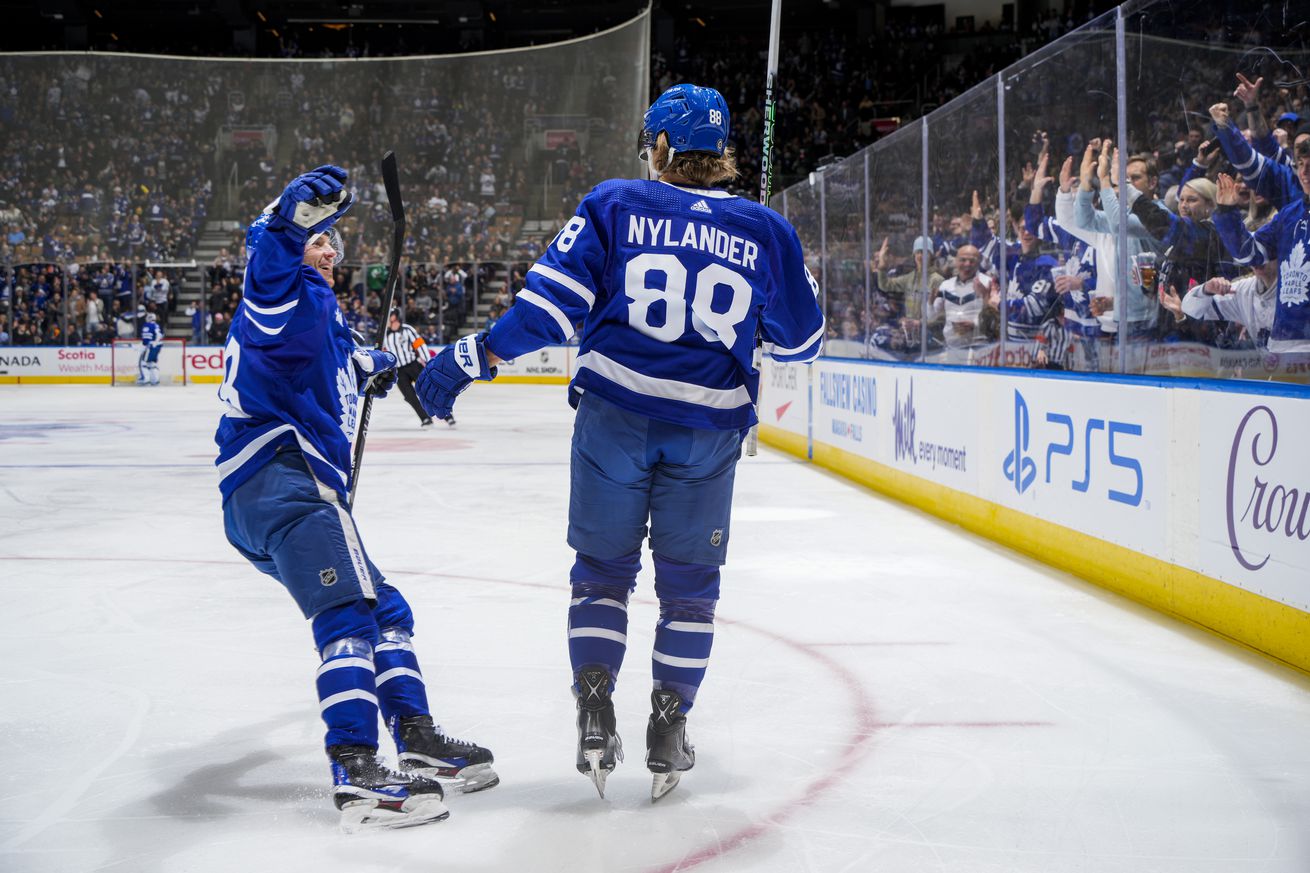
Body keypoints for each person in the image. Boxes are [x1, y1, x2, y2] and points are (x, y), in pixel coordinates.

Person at [415, 83, 824, 802]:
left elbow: (546, 312)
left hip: (614, 419)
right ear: (721, 153)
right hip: (706, 432)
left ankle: (596, 714)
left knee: (601, 575)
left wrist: (470, 358)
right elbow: (803, 340)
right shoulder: (766, 230)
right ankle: (668, 726)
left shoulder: (613, 203)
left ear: (661, 147)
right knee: (690, 592)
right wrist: (790, 277)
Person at [213, 166, 497, 833]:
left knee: (386, 608)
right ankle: (356, 768)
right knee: (348, 617)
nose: (330, 250)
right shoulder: (279, 289)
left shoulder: (320, 313)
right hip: (285, 480)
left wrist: (384, 365)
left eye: (332, 241)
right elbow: (271, 254)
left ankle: (416, 734)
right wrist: (290, 218)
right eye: (320, 239)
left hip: (279, 490)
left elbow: (344, 364)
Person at [383, 308, 453, 428]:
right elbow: (384, 352)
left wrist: (428, 361)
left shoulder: (407, 329)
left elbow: (420, 345)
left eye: (389, 315)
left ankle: (447, 415)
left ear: (395, 316)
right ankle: (425, 418)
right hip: (398, 370)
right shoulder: (385, 333)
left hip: (413, 365)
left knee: (429, 390)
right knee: (409, 396)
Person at [137, 311, 164, 386]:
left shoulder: (146, 325)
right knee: (152, 363)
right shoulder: (157, 325)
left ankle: (146, 379)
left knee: (143, 363)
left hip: (150, 346)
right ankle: (155, 380)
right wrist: (156, 343)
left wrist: (146, 344)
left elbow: (146, 339)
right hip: (158, 346)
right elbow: (159, 335)